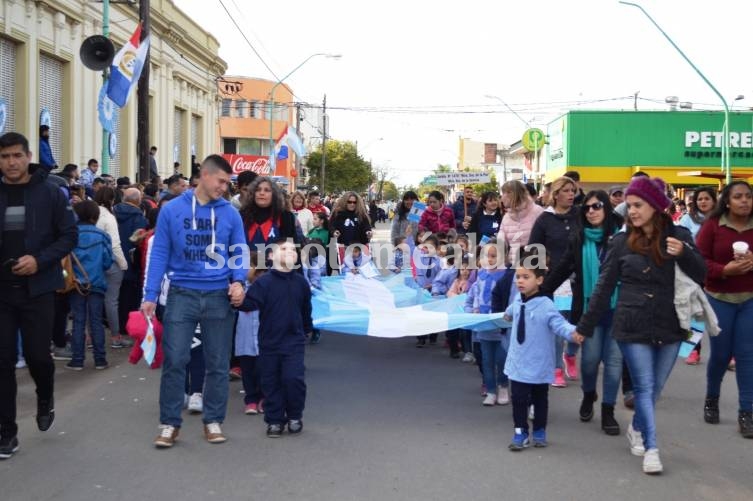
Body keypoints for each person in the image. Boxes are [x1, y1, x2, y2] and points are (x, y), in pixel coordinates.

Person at [574, 176, 706, 474]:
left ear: (657, 206)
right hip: (631, 324)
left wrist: (684, 254)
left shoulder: (681, 235)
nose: (630, 210)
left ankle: (636, 426)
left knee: (655, 387)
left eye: (638, 205)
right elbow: (604, 287)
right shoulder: (620, 242)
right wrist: (584, 326)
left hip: (670, 324)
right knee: (644, 386)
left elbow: (702, 274)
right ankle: (651, 446)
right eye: (629, 205)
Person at [142, 154, 248, 448]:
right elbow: (160, 251)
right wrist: (150, 295)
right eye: (221, 181)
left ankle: (213, 420)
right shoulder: (172, 210)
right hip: (181, 294)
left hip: (218, 296)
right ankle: (169, 424)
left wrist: (239, 281)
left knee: (217, 362)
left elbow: (239, 250)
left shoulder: (230, 213)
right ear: (204, 175)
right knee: (175, 360)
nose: (225, 188)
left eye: (228, 183)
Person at [0, 132, 77, 460]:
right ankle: (7, 433)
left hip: (39, 291)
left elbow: (69, 235)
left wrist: (40, 260)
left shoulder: (50, 192)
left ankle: (45, 396)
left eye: (16, 155)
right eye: (4, 157)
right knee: (2, 363)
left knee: (38, 358)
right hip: (2, 292)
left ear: (28, 156)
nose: (11, 162)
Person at [542, 190, 624, 435]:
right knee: (589, 363)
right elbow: (562, 269)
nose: (591, 211)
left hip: (619, 311)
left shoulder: (621, 239)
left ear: (607, 208)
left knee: (614, 364)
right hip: (591, 313)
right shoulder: (579, 240)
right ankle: (589, 395)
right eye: (587, 208)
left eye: (597, 206)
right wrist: (540, 292)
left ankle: (608, 410)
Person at [503, 250, 584, 451]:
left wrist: (574, 333)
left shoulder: (546, 305)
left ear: (539, 280)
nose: (520, 281)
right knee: (519, 400)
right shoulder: (518, 301)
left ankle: (539, 430)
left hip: (539, 363)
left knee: (540, 399)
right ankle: (520, 432)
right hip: (518, 362)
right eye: (518, 277)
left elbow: (559, 324)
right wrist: (506, 315)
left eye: (526, 277)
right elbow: (510, 313)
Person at [233, 240, 313, 438]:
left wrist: (306, 329)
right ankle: (275, 419)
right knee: (271, 382)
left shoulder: (301, 282)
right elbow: (249, 304)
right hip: (269, 342)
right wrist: (236, 298)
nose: (290, 252)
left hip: (294, 341)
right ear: (270, 256)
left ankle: (294, 415)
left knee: (293, 378)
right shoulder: (264, 282)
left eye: (293, 250)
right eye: (284, 249)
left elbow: (305, 309)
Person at [694, 181, 753, 438]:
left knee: (746, 355)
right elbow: (698, 261)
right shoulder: (712, 226)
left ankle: (746, 411)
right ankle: (712, 398)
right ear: (727, 202)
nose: (744, 201)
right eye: (738, 197)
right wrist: (724, 270)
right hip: (719, 298)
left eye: (748, 197)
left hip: (750, 300)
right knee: (720, 355)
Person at [528, 176, 580, 387]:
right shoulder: (544, 219)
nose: (570, 195)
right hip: (556, 281)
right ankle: (557, 368)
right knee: (559, 324)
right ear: (555, 194)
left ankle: (571, 354)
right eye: (566, 190)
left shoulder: (580, 215)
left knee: (580, 323)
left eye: (573, 191)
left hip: (581, 279)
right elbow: (534, 249)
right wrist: (539, 275)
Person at [66, 201, 113, 370]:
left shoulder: (70, 236)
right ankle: (100, 360)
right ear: (96, 215)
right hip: (97, 283)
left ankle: (77, 360)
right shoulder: (102, 236)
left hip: (76, 284)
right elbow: (108, 262)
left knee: (78, 321)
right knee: (96, 321)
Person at [467, 240, 511, 405]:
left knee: (501, 358)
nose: (490, 259)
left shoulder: (507, 276)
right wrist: (474, 309)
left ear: (503, 257)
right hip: (484, 325)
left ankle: (503, 386)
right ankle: (491, 390)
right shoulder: (480, 274)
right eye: (487, 256)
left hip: (501, 325)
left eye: (494, 256)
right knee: (487, 360)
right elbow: (475, 295)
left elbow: (510, 298)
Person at [678, 186, 717, 365]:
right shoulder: (687, 219)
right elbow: (682, 243)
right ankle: (694, 350)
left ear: (714, 201)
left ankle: (730, 355)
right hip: (695, 271)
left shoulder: (721, 219)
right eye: (700, 199)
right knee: (696, 313)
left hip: (718, 271)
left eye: (706, 198)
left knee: (722, 314)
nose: (703, 202)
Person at [94, 187, 130, 349]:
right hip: (109, 263)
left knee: (91, 301)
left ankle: (89, 337)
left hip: (91, 263)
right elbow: (114, 245)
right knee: (111, 301)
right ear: (112, 200)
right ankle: (116, 337)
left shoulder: (89, 213)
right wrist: (123, 264)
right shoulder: (108, 218)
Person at [114, 187, 147, 339]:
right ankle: (126, 327)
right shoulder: (139, 218)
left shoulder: (112, 213)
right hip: (131, 262)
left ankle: (116, 326)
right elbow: (138, 241)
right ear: (138, 200)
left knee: (115, 297)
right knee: (129, 297)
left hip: (114, 260)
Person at [498, 180, 544, 263]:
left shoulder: (538, 212)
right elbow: (501, 242)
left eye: (505, 193)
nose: (502, 198)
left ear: (514, 194)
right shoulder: (506, 217)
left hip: (536, 264)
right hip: (514, 265)